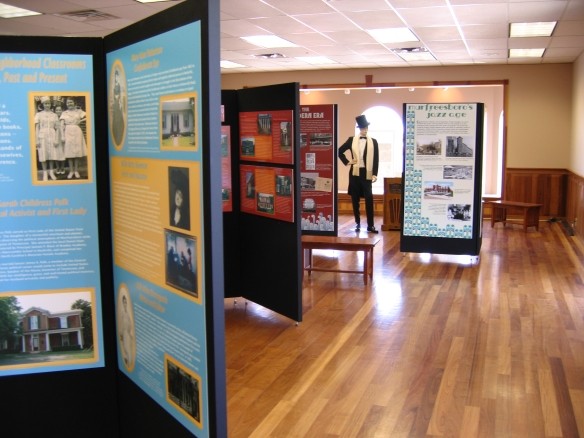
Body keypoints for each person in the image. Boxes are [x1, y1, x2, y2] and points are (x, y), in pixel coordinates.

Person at [338, 114, 380, 233]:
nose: (365, 130)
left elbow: (376, 159)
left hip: (367, 174)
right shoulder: (352, 140)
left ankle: (370, 225)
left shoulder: (374, 142)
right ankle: (357, 223)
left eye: (366, 128)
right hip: (355, 174)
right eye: (362, 128)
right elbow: (339, 151)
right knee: (355, 199)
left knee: (369, 199)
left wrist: (375, 173)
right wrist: (348, 162)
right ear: (359, 129)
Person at [60, 97, 87, 179]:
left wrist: (81, 121)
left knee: (77, 152)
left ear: (74, 103)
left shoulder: (79, 111)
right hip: (68, 131)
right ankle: (71, 171)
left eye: (71, 102)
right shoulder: (64, 113)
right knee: (70, 152)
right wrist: (62, 136)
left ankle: (76, 171)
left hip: (77, 131)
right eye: (68, 103)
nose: (69, 104)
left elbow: (90, 116)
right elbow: (61, 125)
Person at [34, 96, 60, 181]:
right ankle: (45, 172)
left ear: (50, 104)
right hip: (42, 135)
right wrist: (36, 139)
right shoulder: (39, 114)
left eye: (48, 103)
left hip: (52, 134)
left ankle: (51, 172)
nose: (47, 105)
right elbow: (37, 127)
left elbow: (57, 128)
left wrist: (56, 139)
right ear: (43, 104)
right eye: (45, 103)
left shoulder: (54, 115)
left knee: (52, 154)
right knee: (43, 154)